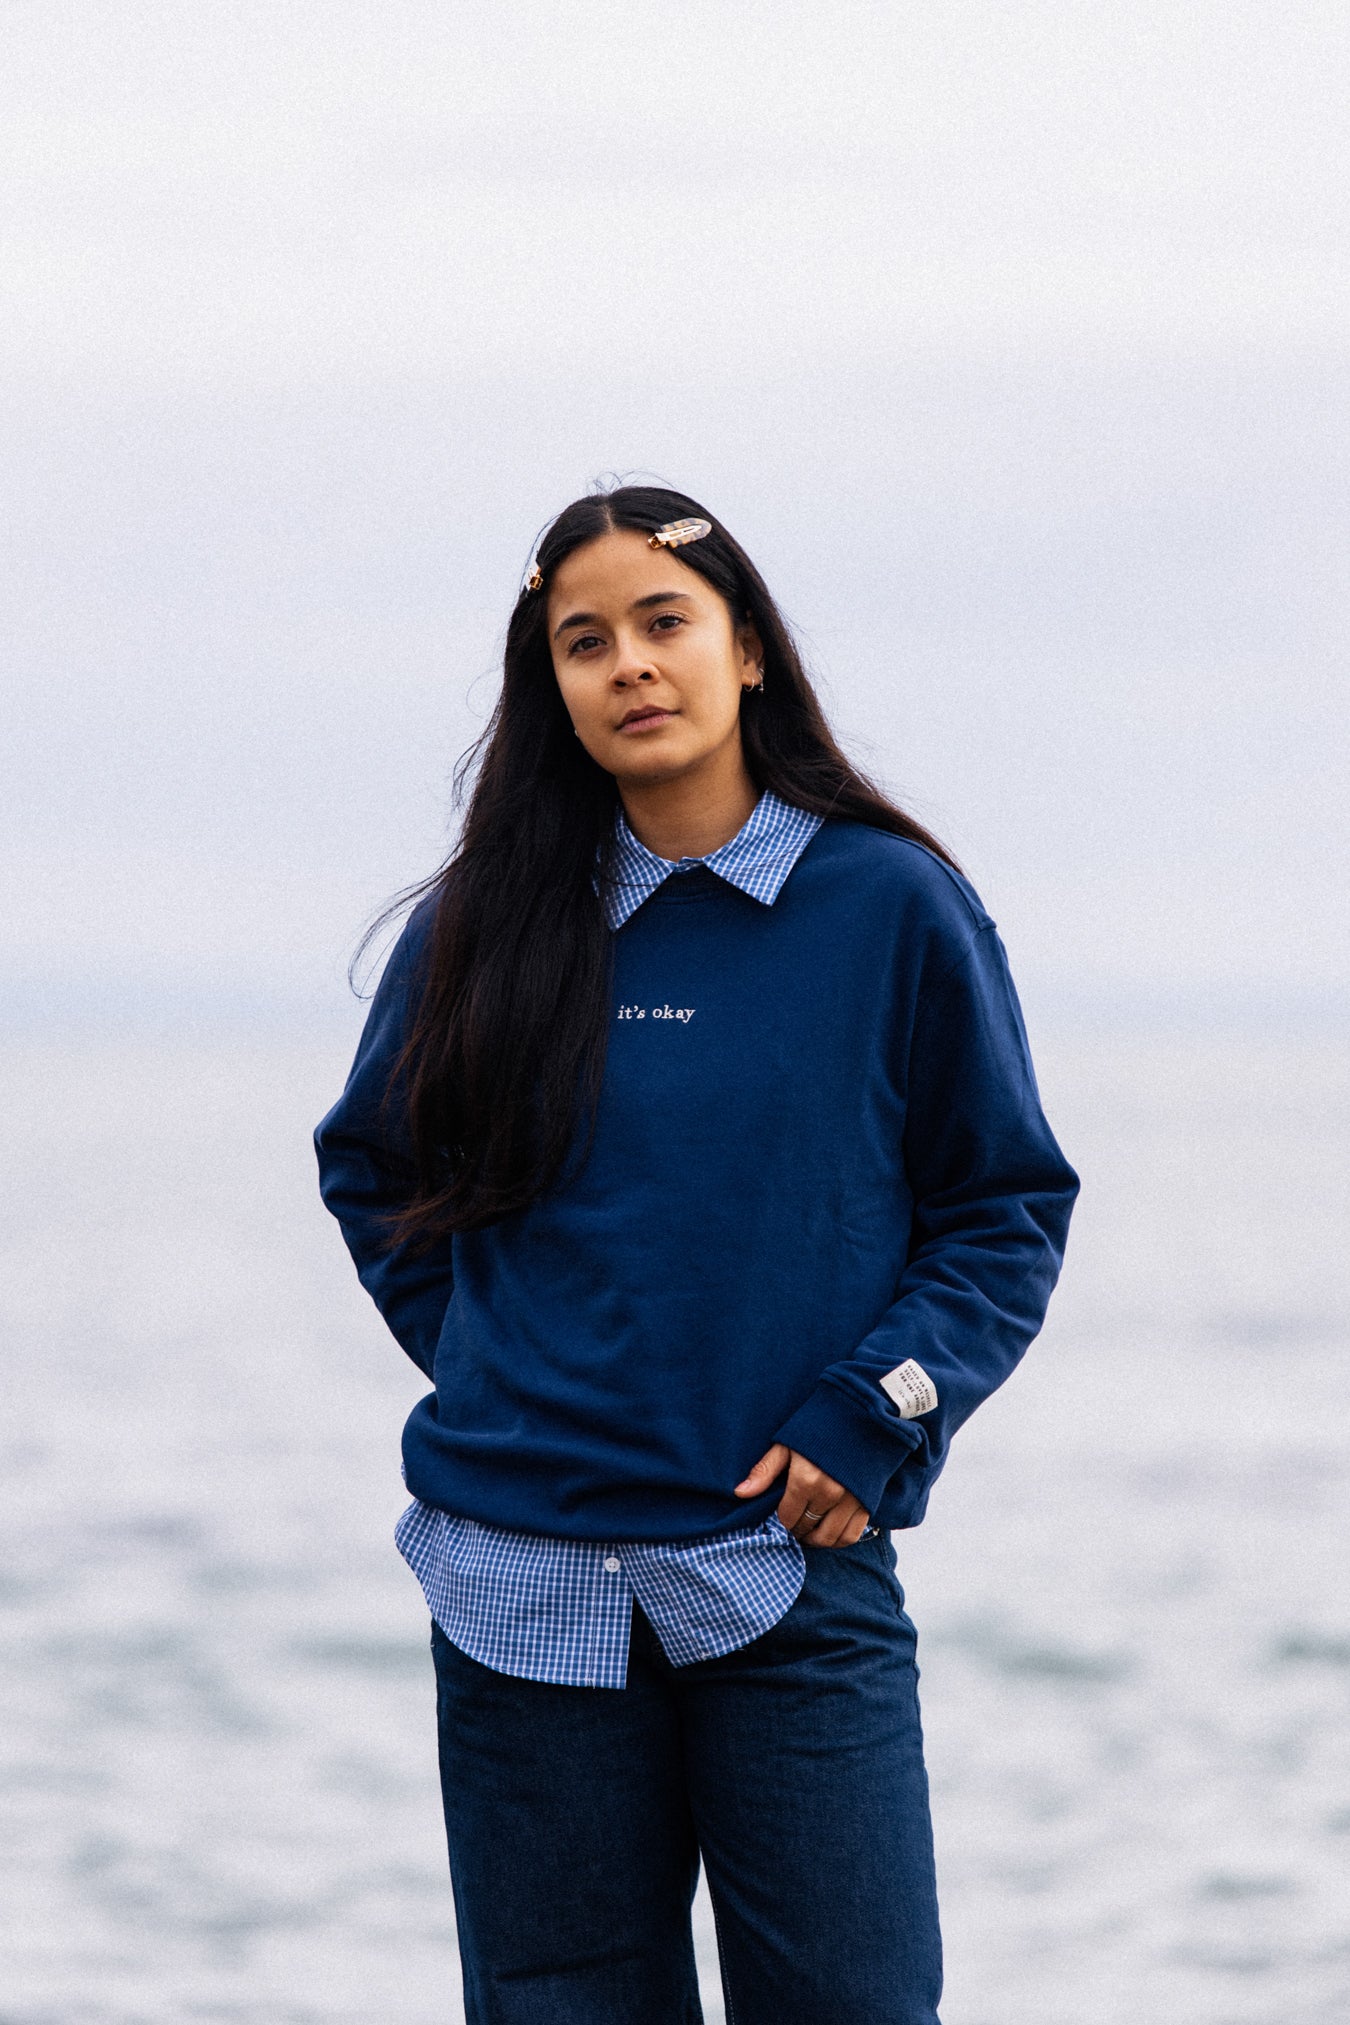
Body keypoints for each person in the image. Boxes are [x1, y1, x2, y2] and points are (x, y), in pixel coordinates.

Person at [314, 484, 1079, 2025]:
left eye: (662, 623)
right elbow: (373, 1171)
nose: (627, 665)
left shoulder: (889, 905)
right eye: (581, 641)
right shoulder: (477, 926)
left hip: (789, 1571)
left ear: (744, 653)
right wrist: (496, 1360)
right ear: (555, 688)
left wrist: (875, 1409)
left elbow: (1002, 1204)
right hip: (516, 1584)